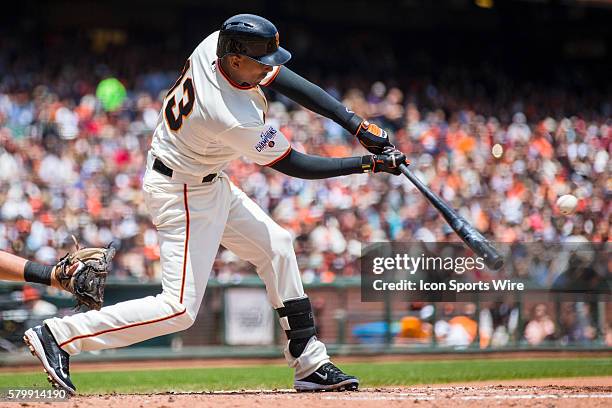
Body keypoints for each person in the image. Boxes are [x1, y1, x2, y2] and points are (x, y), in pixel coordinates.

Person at [24, 14, 406, 394]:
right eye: (262, 61)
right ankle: (59, 333)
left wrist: (355, 123)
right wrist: (368, 164)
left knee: (277, 246)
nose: (269, 69)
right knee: (178, 310)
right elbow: (297, 164)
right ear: (237, 59)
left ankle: (309, 363)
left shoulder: (218, 45)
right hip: (183, 192)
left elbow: (285, 79)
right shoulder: (229, 115)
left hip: (204, 179)